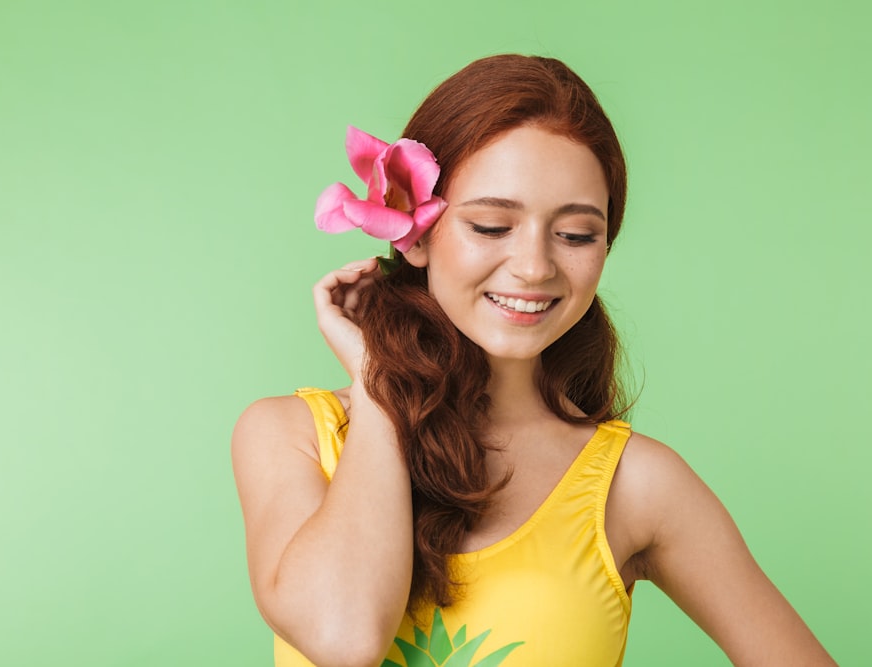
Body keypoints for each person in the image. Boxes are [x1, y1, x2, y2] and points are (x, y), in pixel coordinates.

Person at [232, 54, 837, 667]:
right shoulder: (289, 438)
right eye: (492, 226)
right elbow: (345, 638)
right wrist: (378, 388)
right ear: (414, 235)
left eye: (575, 235)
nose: (535, 267)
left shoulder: (637, 485)